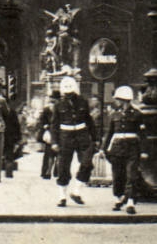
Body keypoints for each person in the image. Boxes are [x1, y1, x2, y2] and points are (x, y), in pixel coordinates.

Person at [52, 75, 97, 207]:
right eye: (66, 94)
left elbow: (89, 121)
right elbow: (54, 125)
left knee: (87, 163)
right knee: (63, 167)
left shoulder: (82, 102)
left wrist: (95, 138)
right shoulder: (58, 104)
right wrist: (54, 142)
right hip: (65, 137)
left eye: (71, 93)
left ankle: (77, 190)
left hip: (82, 135)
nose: (69, 96)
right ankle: (62, 196)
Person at [103, 86, 144, 214]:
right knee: (117, 175)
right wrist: (103, 149)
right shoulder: (114, 114)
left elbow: (142, 134)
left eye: (118, 99)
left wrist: (143, 151)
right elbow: (109, 133)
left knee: (131, 175)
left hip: (132, 147)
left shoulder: (137, 114)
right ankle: (119, 198)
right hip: (117, 148)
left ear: (124, 99)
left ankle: (130, 201)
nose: (117, 101)